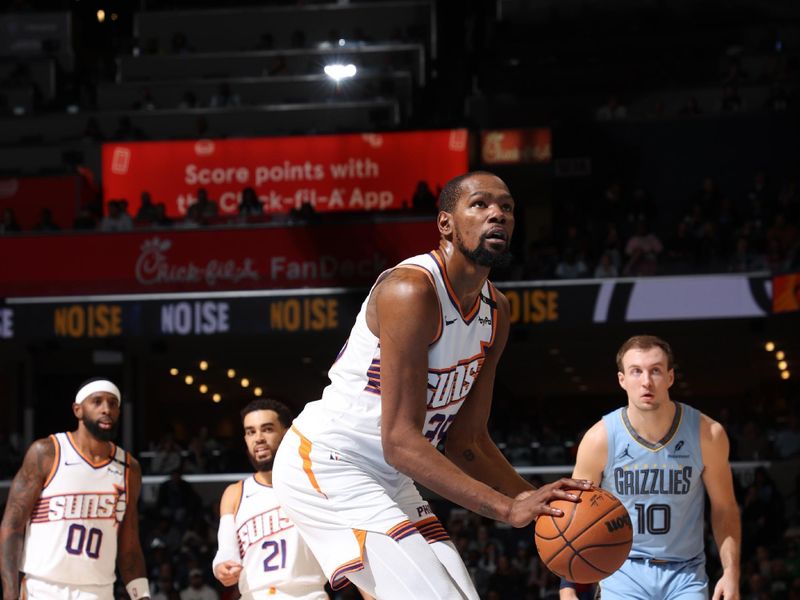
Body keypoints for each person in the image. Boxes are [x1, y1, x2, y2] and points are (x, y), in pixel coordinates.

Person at [273, 171, 591, 599]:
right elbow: (401, 441)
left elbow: (468, 443)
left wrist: (539, 503)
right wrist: (506, 507)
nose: (497, 214)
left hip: (390, 475)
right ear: (445, 223)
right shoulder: (410, 290)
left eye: (507, 207)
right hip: (329, 462)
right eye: (480, 204)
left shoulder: (496, 310)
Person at [559, 335, 741, 600]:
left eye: (655, 370)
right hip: (622, 570)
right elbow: (574, 517)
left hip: (685, 572)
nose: (646, 381)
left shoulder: (707, 434)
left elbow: (725, 509)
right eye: (636, 371)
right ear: (622, 380)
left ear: (670, 377)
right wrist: (567, 587)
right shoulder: (599, 439)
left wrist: (731, 573)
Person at [0, 378, 151, 600]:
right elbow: (12, 526)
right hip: (42, 588)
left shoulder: (129, 468)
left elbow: (129, 546)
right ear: (78, 410)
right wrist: (10, 593)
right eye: (97, 402)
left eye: (112, 403)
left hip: (97, 590)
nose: (106, 409)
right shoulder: (47, 452)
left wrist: (142, 596)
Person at [213, 399, 362, 599]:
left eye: (267, 429)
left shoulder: (315, 484)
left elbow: (353, 554)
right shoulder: (235, 492)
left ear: (286, 432)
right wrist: (222, 567)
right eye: (250, 431)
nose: (258, 438)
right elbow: (226, 552)